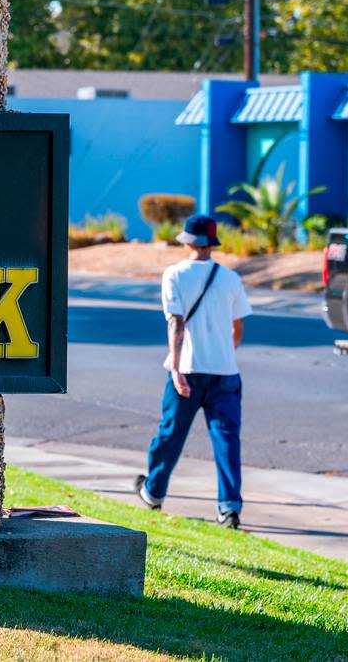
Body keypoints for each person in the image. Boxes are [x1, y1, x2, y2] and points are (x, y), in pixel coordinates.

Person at [134, 214, 252, 528]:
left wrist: (175, 366)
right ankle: (228, 508)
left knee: (170, 434)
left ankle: (154, 491)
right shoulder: (230, 279)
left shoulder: (174, 275)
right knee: (227, 440)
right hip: (225, 372)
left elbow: (176, 323)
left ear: (187, 242)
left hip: (186, 368)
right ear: (212, 244)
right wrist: (225, 352)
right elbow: (237, 327)